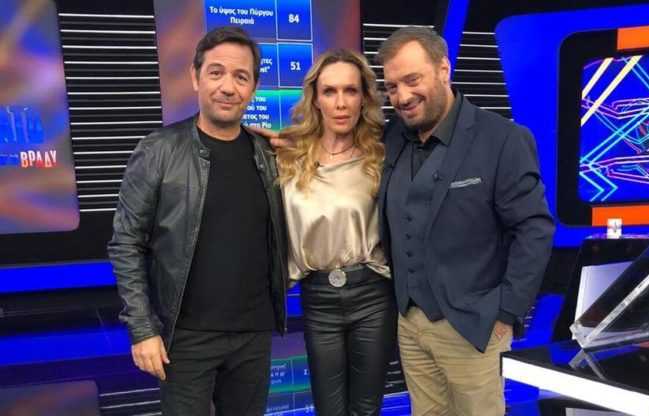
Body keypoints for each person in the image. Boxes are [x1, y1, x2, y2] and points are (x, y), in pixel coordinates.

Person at [107, 26, 288, 416]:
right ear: (195, 77)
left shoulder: (268, 155)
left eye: (241, 77)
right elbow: (126, 243)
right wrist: (143, 329)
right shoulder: (158, 151)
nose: (228, 87)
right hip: (185, 338)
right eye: (216, 72)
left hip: (252, 336)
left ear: (253, 88)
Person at [376, 27, 555, 415]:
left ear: (444, 69)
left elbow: (534, 229)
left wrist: (506, 313)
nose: (402, 96)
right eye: (392, 87)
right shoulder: (393, 138)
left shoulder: (502, 139)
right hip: (410, 325)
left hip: (475, 327)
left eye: (412, 80)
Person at [274, 48, 396, 416]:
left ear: (364, 98)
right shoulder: (288, 158)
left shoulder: (382, 156)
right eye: (330, 91)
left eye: (350, 91)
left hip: (373, 295)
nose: (341, 103)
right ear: (315, 98)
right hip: (318, 298)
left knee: (365, 409)